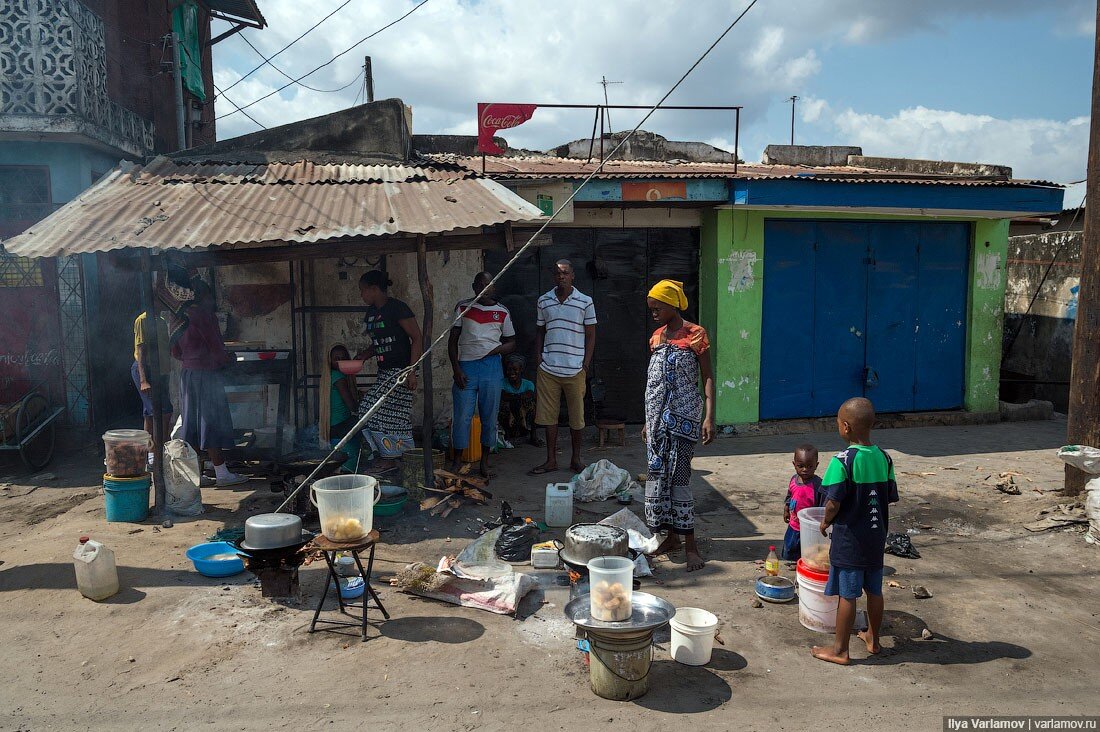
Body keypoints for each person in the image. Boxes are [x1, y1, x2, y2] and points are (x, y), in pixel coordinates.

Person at [811, 397, 899, 666]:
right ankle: (873, 638)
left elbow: (833, 502)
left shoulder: (842, 461)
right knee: (875, 591)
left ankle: (840, 650)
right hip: (876, 537)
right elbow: (888, 497)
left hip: (850, 541)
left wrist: (825, 522)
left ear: (846, 427)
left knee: (848, 595)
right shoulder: (885, 457)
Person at [642, 280, 716, 573]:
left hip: (684, 420)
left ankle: (691, 547)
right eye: (651, 309)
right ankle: (671, 537)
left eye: (658, 307)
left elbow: (707, 376)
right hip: (657, 422)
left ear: (673, 304)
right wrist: (648, 421)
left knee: (681, 479)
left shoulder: (696, 334)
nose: (654, 313)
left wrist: (709, 417)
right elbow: (652, 383)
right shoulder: (656, 337)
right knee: (658, 478)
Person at [171, 279, 247, 487]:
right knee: (210, 422)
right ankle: (222, 473)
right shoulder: (204, 315)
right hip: (206, 374)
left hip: (188, 375)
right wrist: (226, 359)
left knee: (193, 425)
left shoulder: (178, 316)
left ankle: (197, 473)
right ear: (203, 297)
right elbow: (216, 346)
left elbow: (175, 350)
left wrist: (191, 358)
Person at [529, 260, 596, 475]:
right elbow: (540, 331)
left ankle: (576, 459)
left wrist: (585, 364)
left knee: (577, 417)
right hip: (548, 369)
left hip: (575, 369)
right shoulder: (544, 301)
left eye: (565, 273)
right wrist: (539, 358)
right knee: (549, 417)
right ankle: (550, 460)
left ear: (573, 275)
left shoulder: (585, 302)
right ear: (553, 277)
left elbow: (591, 335)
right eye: (558, 274)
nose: (561, 277)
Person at [448, 272, 515, 479]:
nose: (484, 288)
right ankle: (458, 460)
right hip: (466, 367)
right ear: (473, 286)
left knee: (489, 416)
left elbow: (512, 342)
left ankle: (485, 462)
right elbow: (452, 341)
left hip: (492, 368)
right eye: (480, 284)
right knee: (462, 417)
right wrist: (456, 370)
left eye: (488, 285)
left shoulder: (502, 311)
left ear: (493, 287)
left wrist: (495, 351)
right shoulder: (462, 307)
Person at [355, 270, 423, 473]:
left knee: (378, 410)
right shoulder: (371, 314)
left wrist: (411, 371)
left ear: (374, 289)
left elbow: (417, 338)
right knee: (380, 413)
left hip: (401, 371)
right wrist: (364, 356)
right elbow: (378, 344)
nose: (361, 295)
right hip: (385, 372)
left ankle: (392, 458)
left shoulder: (398, 308)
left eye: (362, 290)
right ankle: (392, 456)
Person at [131, 305, 173, 465]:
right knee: (163, 411)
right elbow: (141, 350)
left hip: (161, 373)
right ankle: (157, 453)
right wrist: (143, 380)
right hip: (146, 371)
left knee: (150, 415)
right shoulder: (142, 320)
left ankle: (151, 453)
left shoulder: (161, 321)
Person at [319, 344, 362, 473]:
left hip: (331, 428)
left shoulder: (328, 376)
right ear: (329, 360)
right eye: (336, 358)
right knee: (370, 425)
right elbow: (352, 406)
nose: (339, 362)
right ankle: (376, 458)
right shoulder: (339, 376)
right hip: (341, 427)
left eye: (343, 358)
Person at [782, 444, 823, 561]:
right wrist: (786, 509)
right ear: (794, 465)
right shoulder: (793, 480)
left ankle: (803, 561)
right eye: (801, 466)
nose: (805, 469)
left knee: (808, 548)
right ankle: (791, 560)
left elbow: (822, 506)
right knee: (790, 545)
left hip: (809, 526)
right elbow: (789, 496)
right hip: (794, 522)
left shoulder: (818, 485)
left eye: (810, 466)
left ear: (816, 465)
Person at [499, 354, 541, 446]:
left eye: (515, 369)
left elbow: (530, 395)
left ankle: (533, 436)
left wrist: (513, 396)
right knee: (504, 405)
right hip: (508, 419)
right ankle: (507, 436)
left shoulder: (528, 384)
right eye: (509, 369)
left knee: (532, 405)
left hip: (523, 419)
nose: (511, 372)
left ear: (521, 370)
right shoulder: (501, 382)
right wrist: (520, 396)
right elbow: (503, 396)